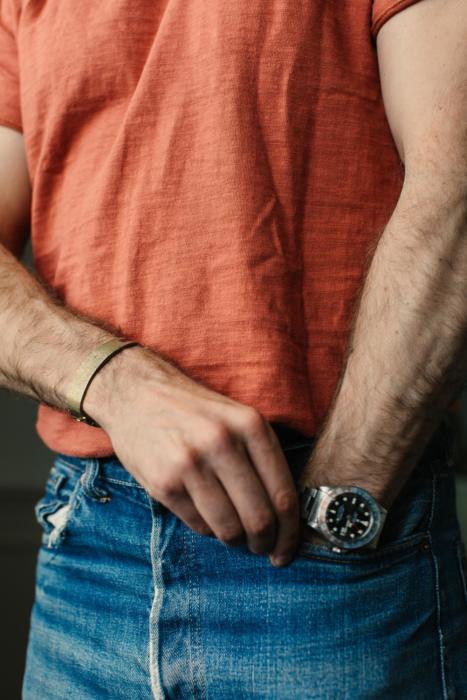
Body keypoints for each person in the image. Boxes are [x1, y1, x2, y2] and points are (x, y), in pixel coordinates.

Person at [0, 0, 466, 696]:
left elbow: (455, 186)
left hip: (325, 540)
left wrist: (346, 497)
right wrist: (116, 382)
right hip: (86, 552)